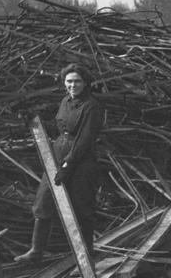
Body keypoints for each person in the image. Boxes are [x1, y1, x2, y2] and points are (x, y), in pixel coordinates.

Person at [15, 63, 105, 263]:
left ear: (85, 83)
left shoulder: (92, 106)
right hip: (57, 154)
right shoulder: (65, 101)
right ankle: (36, 251)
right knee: (44, 201)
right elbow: (62, 129)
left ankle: (86, 255)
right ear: (64, 83)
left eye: (77, 81)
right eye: (69, 81)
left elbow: (85, 139)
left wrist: (68, 164)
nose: (73, 85)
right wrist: (32, 119)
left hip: (81, 161)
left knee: (82, 208)